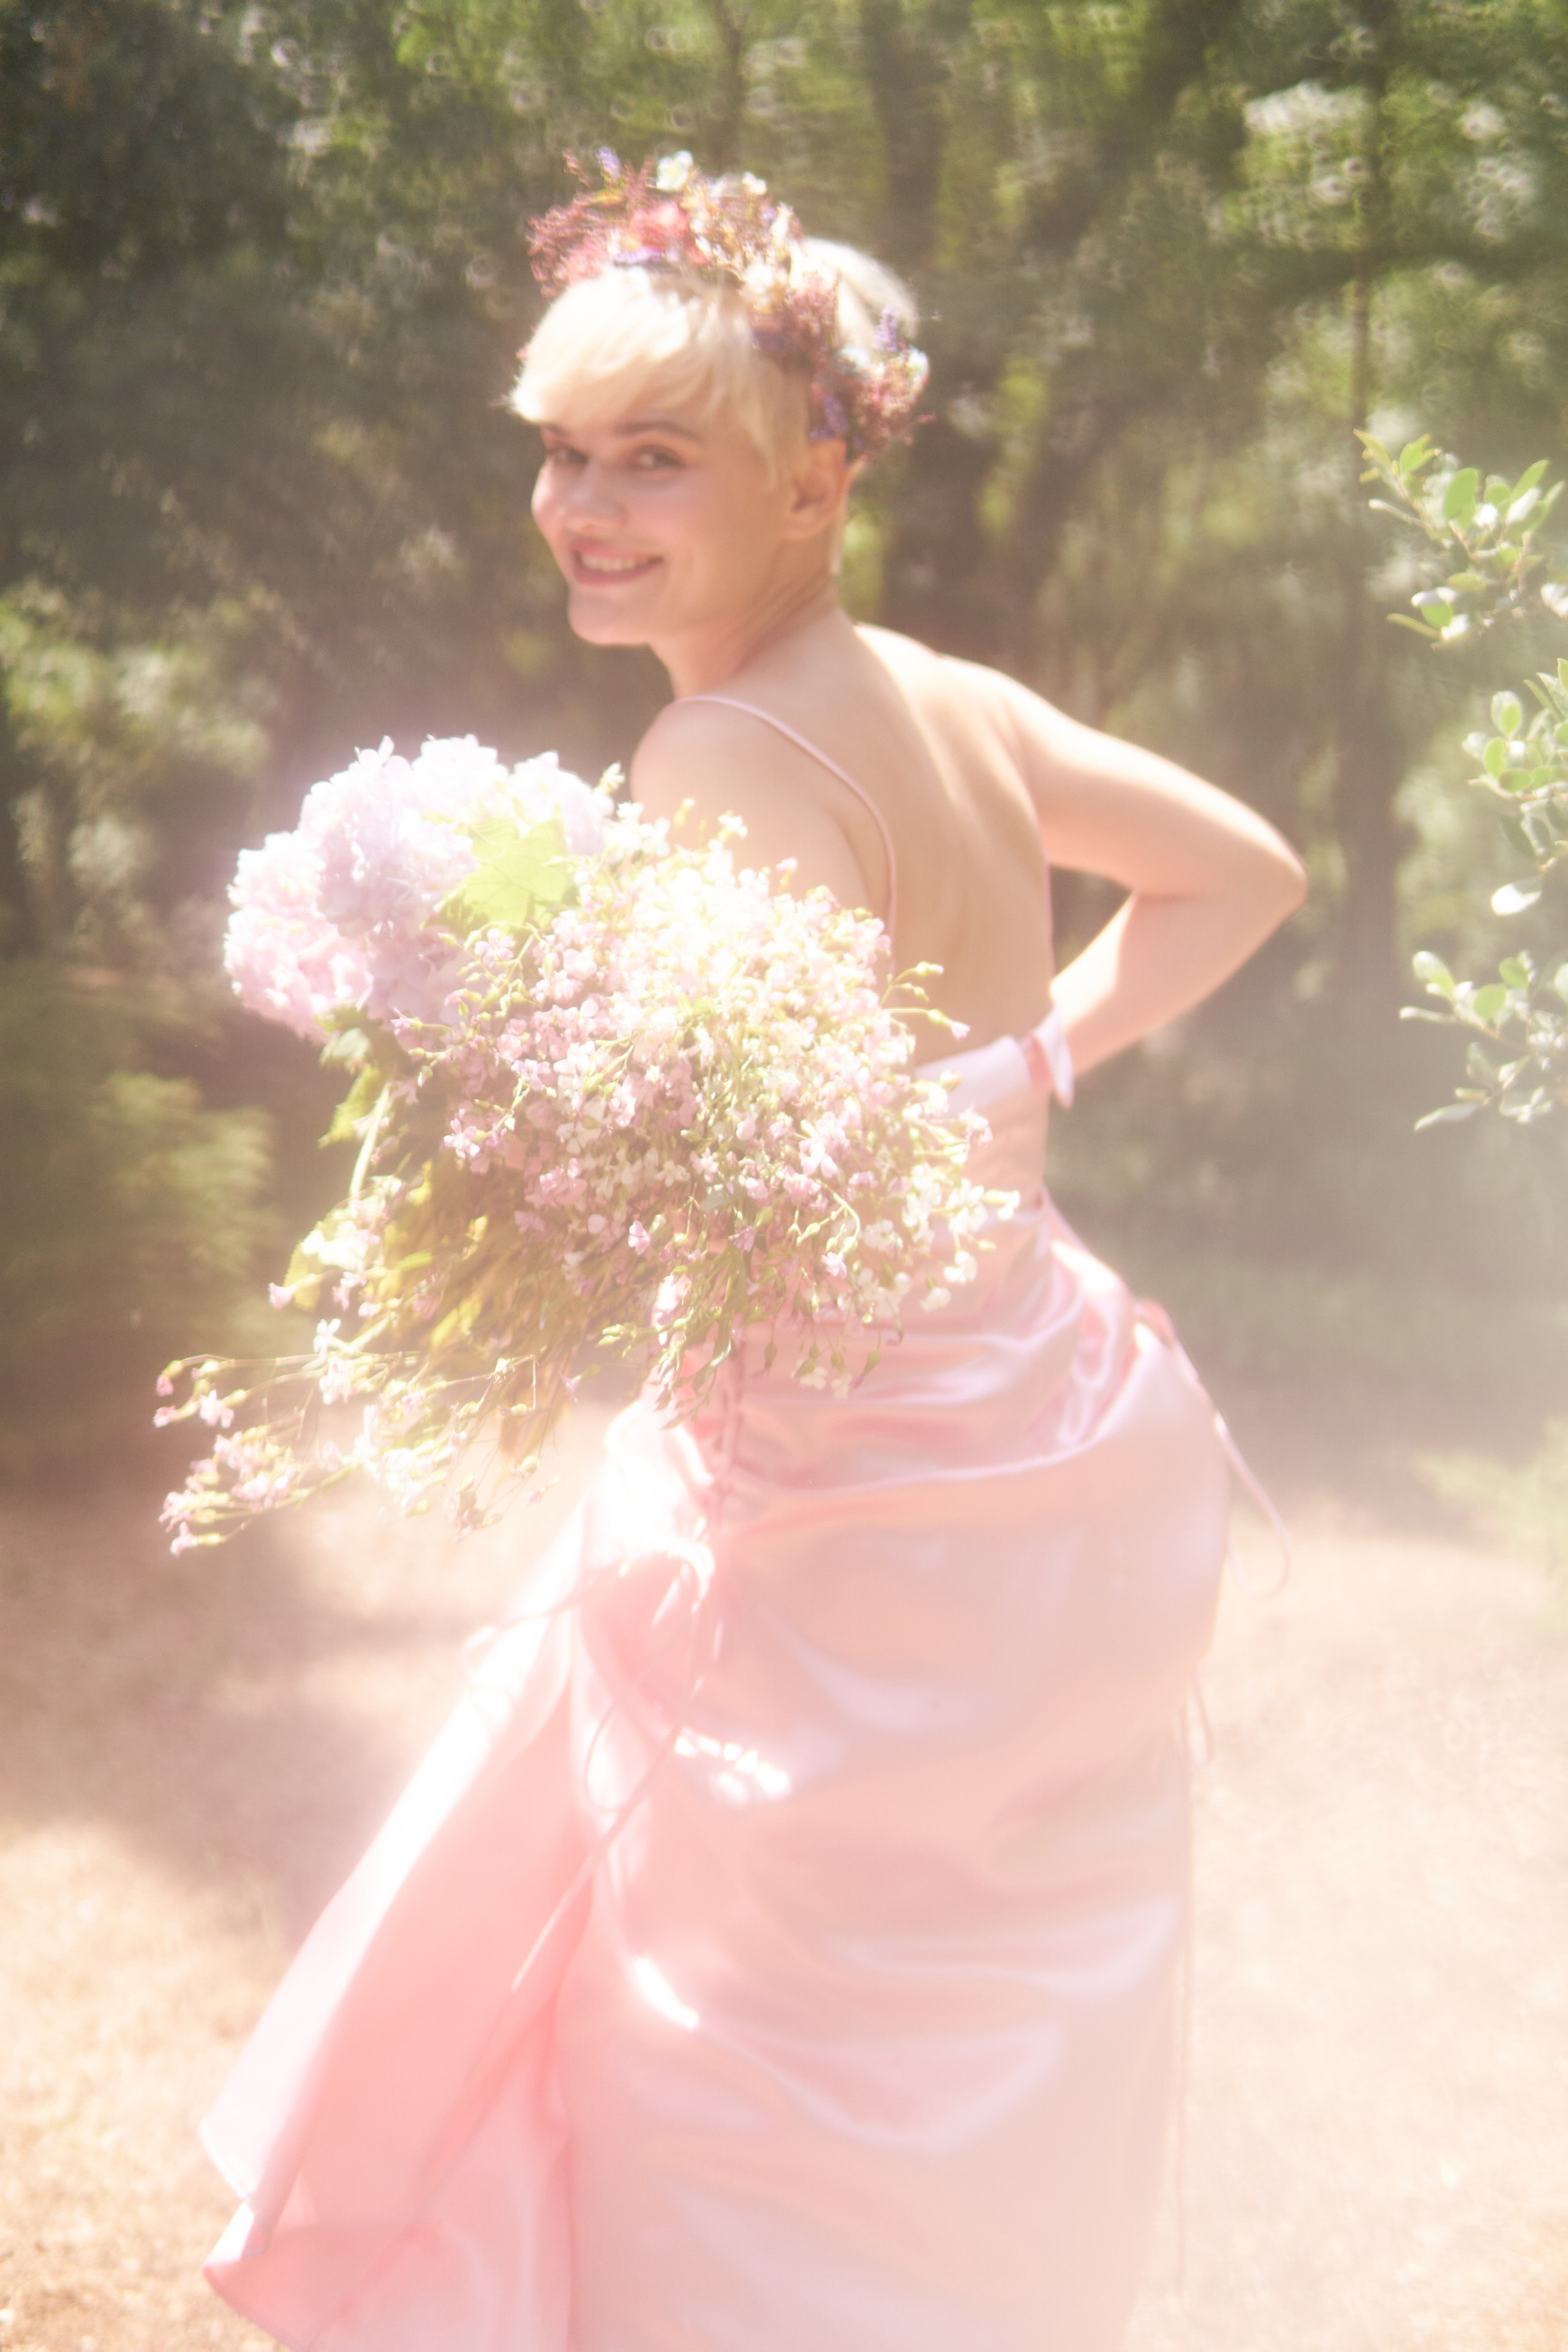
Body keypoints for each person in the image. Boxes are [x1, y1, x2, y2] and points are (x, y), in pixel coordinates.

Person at [200, 156, 1306, 2352]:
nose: (583, 506)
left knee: (733, 2030)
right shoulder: (951, 698)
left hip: (845, 1468)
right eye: (564, 451)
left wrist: (479, 1093)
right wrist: (1038, 1073)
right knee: (968, 2032)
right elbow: (1244, 871)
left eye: (654, 461)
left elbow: (717, 1186)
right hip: (1054, 1410)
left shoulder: (722, 745)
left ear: (814, 479)